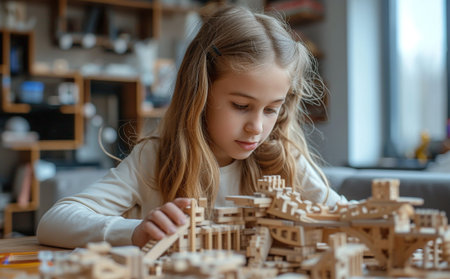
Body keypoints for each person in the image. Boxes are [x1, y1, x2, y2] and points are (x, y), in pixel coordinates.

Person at [37, 5, 347, 249]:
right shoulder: (154, 158)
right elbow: (54, 221)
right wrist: (134, 232)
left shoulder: (283, 160)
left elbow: (347, 218)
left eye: (271, 109)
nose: (256, 126)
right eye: (241, 106)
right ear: (199, 92)